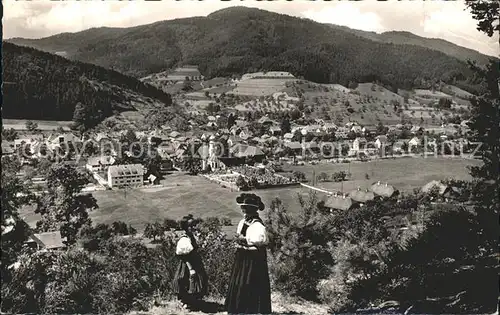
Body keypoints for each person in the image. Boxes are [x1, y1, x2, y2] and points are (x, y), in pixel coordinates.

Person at [225, 193, 272, 314]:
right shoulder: (243, 222)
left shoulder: (258, 226)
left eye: (245, 208)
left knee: (250, 284)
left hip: (253, 261)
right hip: (242, 258)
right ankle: (238, 309)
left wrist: (243, 244)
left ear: (251, 209)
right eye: (243, 207)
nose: (242, 210)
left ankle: (250, 310)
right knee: (240, 283)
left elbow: (258, 247)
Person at [172, 214, 208, 310]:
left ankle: (193, 302)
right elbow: (184, 256)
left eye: (193, 225)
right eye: (190, 226)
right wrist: (191, 268)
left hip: (195, 262)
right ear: (186, 227)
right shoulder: (184, 239)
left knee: (196, 281)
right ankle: (185, 302)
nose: (193, 227)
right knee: (186, 280)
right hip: (188, 264)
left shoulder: (191, 236)